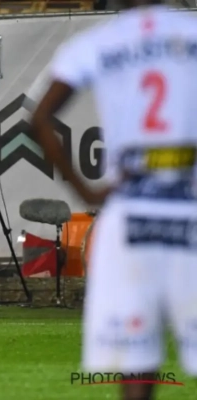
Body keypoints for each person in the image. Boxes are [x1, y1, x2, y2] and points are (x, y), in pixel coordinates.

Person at [30, 2, 197, 399]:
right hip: (189, 206)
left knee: (135, 354)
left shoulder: (97, 42)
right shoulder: (191, 31)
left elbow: (39, 118)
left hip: (128, 211)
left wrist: (85, 192)